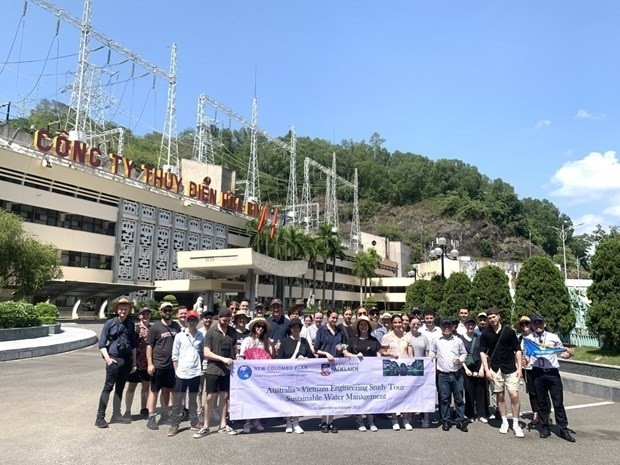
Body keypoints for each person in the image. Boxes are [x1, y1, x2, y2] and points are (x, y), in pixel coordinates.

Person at [525, 315, 575, 442]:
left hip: (552, 373)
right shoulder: (529, 339)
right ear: (532, 325)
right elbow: (526, 355)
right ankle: (545, 427)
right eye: (535, 323)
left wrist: (568, 354)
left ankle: (563, 429)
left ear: (544, 324)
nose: (538, 325)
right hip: (537, 373)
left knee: (558, 402)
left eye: (540, 323)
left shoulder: (553, 337)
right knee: (541, 402)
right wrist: (524, 360)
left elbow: (561, 352)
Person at [479, 308, 524, 438]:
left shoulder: (509, 331)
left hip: (510, 368)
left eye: (494, 317)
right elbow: (482, 352)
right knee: (499, 396)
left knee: (514, 395)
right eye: (490, 318)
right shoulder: (486, 334)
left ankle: (516, 423)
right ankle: (504, 421)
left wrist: (520, 368)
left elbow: (517, 350)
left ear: (498, 317)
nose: (492, 319)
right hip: (495, 369)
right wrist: (487, 370)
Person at [193, 308, 238, 439]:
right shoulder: (211, 332)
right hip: (213, 368)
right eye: (224, 320)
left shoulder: (232, 331)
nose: (226, 322)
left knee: (224, 397)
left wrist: (237, 356)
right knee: (209, 397)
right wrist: (222, 359)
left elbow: (234, 349)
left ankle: (222, 425)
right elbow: (206, 353)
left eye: (229, 320)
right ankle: (206, 426)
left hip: (227, 370)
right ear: (219, 318)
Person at [95, 298, 137, 428]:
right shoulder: (109, 323)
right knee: (108, 388)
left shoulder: (130, 324)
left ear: (129, 310)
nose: (123, 311)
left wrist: (134, 362)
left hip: (126, 360)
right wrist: (108, 359)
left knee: (120, 388)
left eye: (125, 309)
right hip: (113, 359)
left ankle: (116, 414)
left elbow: (134, 344)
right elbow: (102, 343)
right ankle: (100, 417)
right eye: (121, 308)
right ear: (117, 310)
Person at [314, 310, 356, 433]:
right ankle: (323, 421)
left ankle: (331, 421)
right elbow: (316, 350)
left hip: (336, 366)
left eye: (336, 318)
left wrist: (350, 354)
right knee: (324, 394)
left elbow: (343, 348)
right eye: (332, 318)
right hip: (324, 366)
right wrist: (326, 353)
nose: (334, 320)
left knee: (333, 394)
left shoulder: (339, 331)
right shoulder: (321, 331)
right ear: (328, 317)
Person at [145, 303, 182, 430]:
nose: (167, 312)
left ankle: (169, 413)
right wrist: (150, 364)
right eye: (165, 310)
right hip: (158, 365)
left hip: (172, 365)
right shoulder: (155, 327)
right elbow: (149, 346)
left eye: (170, 310)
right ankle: (151, 417)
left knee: (171, 390)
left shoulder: (176, 326)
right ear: (161, 311)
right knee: (154, 391)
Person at [167, 310, 204, 436]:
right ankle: (174, 424)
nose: (192, 322)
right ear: (186, 321)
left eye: (194, 319)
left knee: (193, 398)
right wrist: (176, 370)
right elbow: (174, 355)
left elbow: (202, 353)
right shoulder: (179, 336)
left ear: (198, 321)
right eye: (190, 319)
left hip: (195, 372)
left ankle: (194, 422)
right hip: (182, 372)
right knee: (178, 400)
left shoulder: (201, 336)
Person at [277, 317, 314, 434]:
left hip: (301, 376)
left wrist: (305, 358)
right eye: (293, 327)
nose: (296, 329)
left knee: (298, 399)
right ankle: (288, 421)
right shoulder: (285, 341)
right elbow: (279, 359)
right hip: (287, 376)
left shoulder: (304, 341)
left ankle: (296, 422)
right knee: (288, 399)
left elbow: (312, 357)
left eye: (298, 327)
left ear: (300, 328)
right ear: (290, 328)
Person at [430, 319, 468, 432]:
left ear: (452, 327)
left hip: (457, 374)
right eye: (444, 326)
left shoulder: (458, 340)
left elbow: (464, 353)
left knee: (459, 398)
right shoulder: (436, 340)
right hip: (443, 375)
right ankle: (446, 420)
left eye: (448, 326)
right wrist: (430, 357)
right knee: (444, 399)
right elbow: (432, 352)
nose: (446, 328)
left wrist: (460, 359)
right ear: (441, 327)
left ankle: (460, 420)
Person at [238, 317, 275, 433]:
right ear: (254, 327)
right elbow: (242, 355)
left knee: (259, 397)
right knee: (249, 397)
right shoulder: (247, 340)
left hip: (261, 374)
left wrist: (272, 345)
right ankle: (247, 422)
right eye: (258, 326)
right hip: (249, 374)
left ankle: (257, 420)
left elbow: (271, 356)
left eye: (262, 327)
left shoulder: (266, 341)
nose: (260, 328)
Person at [348, 315, 380, 432]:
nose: (363, 327)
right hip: (356, 374)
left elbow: (379, 354)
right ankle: (359, 420)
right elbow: (345, 353)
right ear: (358, 327)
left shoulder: (374, 341)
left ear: (369, 327)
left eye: (365, 325)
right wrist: (354, 356)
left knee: (370, 397)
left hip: (371, 373)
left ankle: (371, 421)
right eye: (361, 325)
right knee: (359, 397)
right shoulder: (352, 340)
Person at [381, 313, 413, 430]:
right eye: (395, 322)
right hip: (392, 368)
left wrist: (411, 364)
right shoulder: (387, 337)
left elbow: (410, 353)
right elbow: (382, 352)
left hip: (405, 369)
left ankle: (405, 419)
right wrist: (389, 354)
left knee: (406, 394)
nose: (398, 325)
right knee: (393, 394)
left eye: (399, 322)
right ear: (391, 323)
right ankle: (394, 419)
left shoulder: (407, 336)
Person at [124, 306, 152, 419]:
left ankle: (144, 408)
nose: (145, 316)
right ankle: (127, 410)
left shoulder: (152, 328)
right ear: (139, 316)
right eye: (143, 314)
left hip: (147, 363)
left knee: (146, 387)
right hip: (135, 363)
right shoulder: (135, 328)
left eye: (147, 314)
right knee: (131, 387)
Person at [460, 316, 488, 423]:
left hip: (478, 365)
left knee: (481, 390)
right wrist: (466, 369)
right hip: (466, 367)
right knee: (469, 391)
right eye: (468, 324)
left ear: (475, 325)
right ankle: (469, 414)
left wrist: (482, 368)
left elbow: (483, 353)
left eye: (472, 324)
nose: (470, 326)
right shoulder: (461, 339)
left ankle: (482, 414)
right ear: (465, 325)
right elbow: (459, 355)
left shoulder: (479, 337)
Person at [405, 316, 431, 427]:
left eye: (418, 324)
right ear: (409, 324)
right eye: (413, 323)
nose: (416, 325)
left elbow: (427, 353)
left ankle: (426, 419)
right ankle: (409, 417)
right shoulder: (406, 336)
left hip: (422, 369)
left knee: (424, 394)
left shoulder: (424, 337)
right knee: (410, 395)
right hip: (409, 370)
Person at [197, 310, 214, 421]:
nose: (208, 320)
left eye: (210, 318)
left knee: (211, 390)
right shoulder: (199, 333)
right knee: (199, 389)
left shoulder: (214, 332)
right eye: (206, 318)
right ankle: (199, 411)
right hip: (200, 364)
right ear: (202, 319)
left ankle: (212, 410)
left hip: (212, 364)